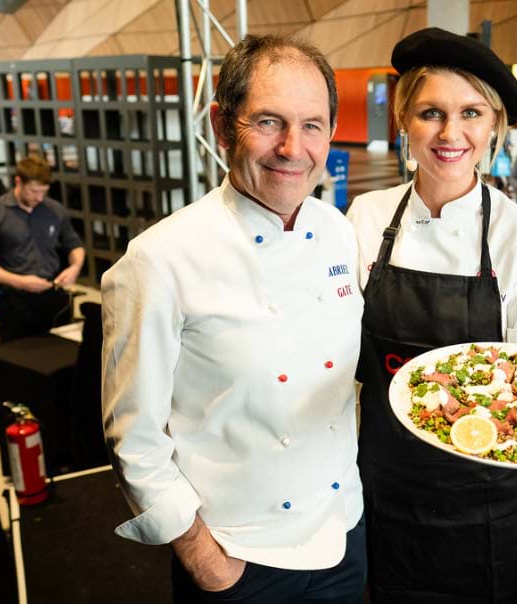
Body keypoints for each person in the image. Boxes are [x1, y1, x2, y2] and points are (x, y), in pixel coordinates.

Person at [100, 35, 366, 603]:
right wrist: (207, 562)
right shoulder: (159, 259)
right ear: (222, 126)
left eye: (312, 126)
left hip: (343, 532)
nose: (293, 148)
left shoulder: (339, 232)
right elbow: (135, 440)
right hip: (237, 555)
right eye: (269, 122)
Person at [347, 28, 517, 602]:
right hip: (384, 486)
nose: (450, 134)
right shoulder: (365, 217)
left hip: (487, 505)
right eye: (431, 113)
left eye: (471, 113)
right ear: (404, 120)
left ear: (495, 124)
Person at [0, 155, 84, 342]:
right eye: (34, 191)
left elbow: (74, 245)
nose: (39, 198)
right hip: (14, 299)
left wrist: (75, 268)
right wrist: (19, 281)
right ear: (18, 181)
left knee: (60, 350)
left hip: (53, 292)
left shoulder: (55, 210)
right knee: (17, 352)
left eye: (44, 192)